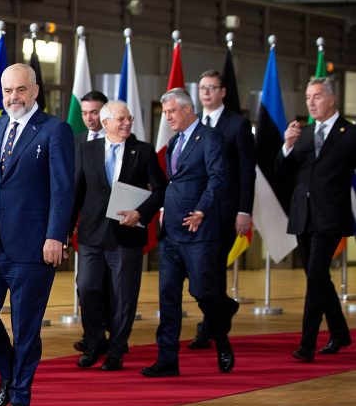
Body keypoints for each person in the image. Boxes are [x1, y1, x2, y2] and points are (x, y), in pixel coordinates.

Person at [0, 63, 74, 406]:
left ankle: (21, 399)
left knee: (26, 327)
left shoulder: (56, 130)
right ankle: (9, 373)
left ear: (35, 91)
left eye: (21, 90)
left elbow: (63, 189)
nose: (13, 97)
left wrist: (56, 235)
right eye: (8, 91)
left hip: (33, 246)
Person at [141, 88, 233, 377]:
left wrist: (202, 210)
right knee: (168, 297)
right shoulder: (172, 142)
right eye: (165, 112)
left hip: (199, 232)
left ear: (188, 109)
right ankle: (167, 358)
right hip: (171, 233)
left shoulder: (209, 138)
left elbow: (218, 178)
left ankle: (222, 341)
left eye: (171, 111)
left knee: (203, 292)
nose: (167, 117)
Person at [69, 100, 166, 370]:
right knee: (87, 288)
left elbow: (160, 189)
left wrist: (141, 213)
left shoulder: (143, 151)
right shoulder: (86, 150)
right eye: (121, 119)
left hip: (126, 236)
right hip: (91, 234)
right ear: (105, 123)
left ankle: (115, 351)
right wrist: (64, 230)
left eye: (129, 118)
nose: (127, 123)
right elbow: (76, 191)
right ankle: (94, 342)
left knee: (124, 296)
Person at [276, 77, 356, 361]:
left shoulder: (350, 133)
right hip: (303, 214)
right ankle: (340, 332)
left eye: (317, 96)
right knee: (317, 276)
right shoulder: (304, 133)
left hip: (331, 216)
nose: (311, 102)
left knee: (316, 277)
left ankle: (307, 343)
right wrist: (286, 145)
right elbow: (283, 172)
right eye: (308, 97)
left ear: (331, 98)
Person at [189, 70, 255, 350]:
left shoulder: (237, 125)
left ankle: (209, 327)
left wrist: (244, 210)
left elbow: (246, 171)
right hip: (196, 210)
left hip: (225, 211)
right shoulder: (193, 124)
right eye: (202, 88)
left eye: (212, 88)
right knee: (201, 272)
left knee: (212, 269)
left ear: (223, 92)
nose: (206, 93)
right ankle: (224, 307)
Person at [72, 90, 108, 354]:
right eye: (84, 113)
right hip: (87, 226)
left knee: (113, 287)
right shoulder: (76, 142)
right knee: (86, 285)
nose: (88, 118)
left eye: (94, 112)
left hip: (118, 228)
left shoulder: (125, 141)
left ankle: (114, 337)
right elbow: (70, 187)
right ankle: (93, 338)